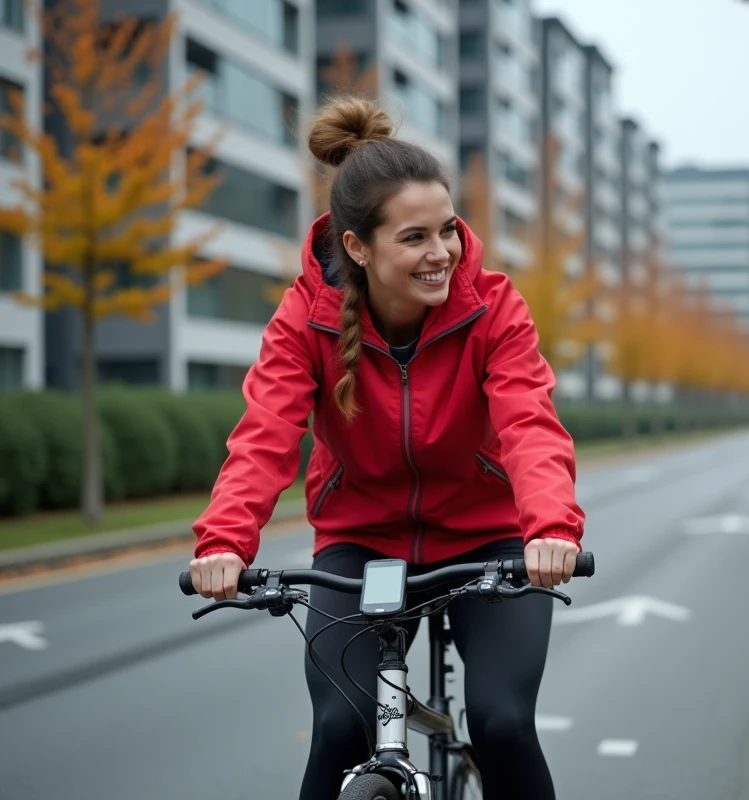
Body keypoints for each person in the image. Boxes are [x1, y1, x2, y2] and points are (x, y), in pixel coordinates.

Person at [187, 94, 585, 800]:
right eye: (414, 238)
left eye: (449, 230)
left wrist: (550, 528)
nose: (441, 254)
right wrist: (225, 542)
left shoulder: (495, 308)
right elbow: (265, 433)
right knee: (341, 726)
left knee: (501, 724)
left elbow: (529, 422)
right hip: (360, 543)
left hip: (488, 539)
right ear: (357, 248)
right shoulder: (301, 322)